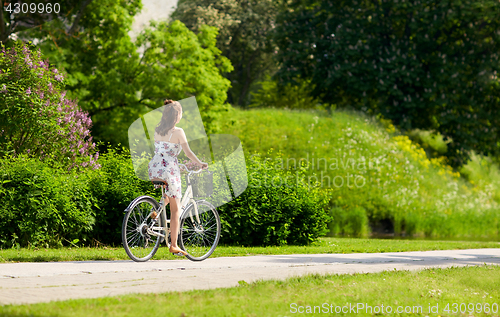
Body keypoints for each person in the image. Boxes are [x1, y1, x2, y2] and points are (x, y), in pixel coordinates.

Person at [148, 99, 208, 256]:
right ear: (177, 116)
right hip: (169, 169)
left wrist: (177, 165)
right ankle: (173, 244)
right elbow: (188, 153)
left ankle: (156, 211)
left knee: (169, 194)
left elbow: (163, 152)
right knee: (176, 210)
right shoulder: (178, 132)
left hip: (155, 168)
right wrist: (200, 163)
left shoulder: (157, 130)